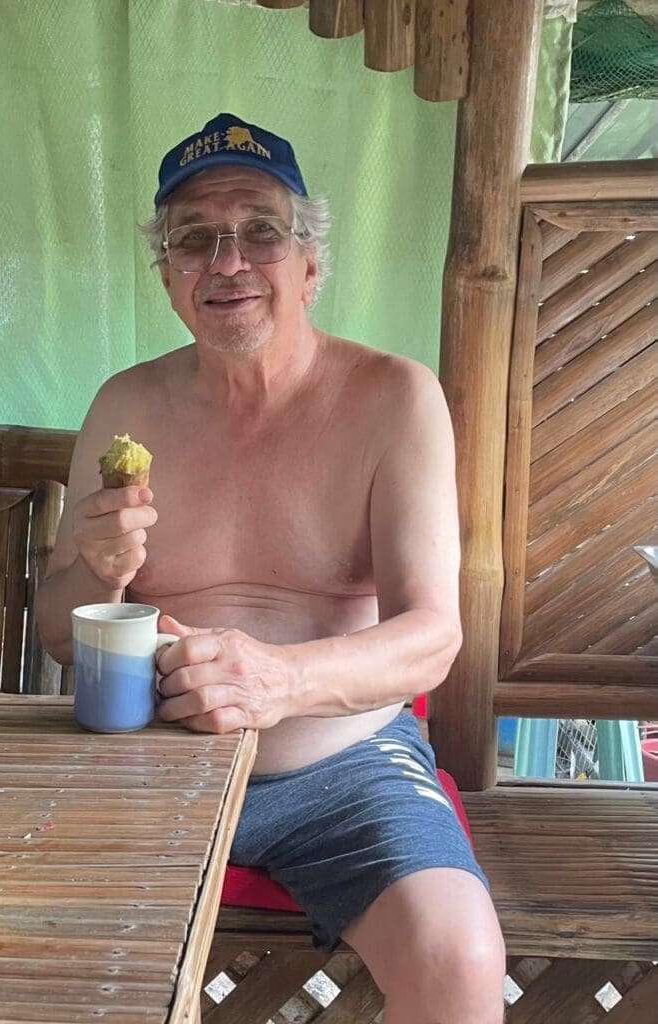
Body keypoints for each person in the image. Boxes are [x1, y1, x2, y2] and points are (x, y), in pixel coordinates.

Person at [36, 112, 505, 1024]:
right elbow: (62, 634)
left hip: (342, 769)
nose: (227, 261)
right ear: (167, 277)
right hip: (140, 765)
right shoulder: (125, 403)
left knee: (458, 955)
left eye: (260, 230)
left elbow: (431, 638)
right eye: (192, 240)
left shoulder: (392, 399)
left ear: (309, 264)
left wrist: (280, 678)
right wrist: (95, 574)